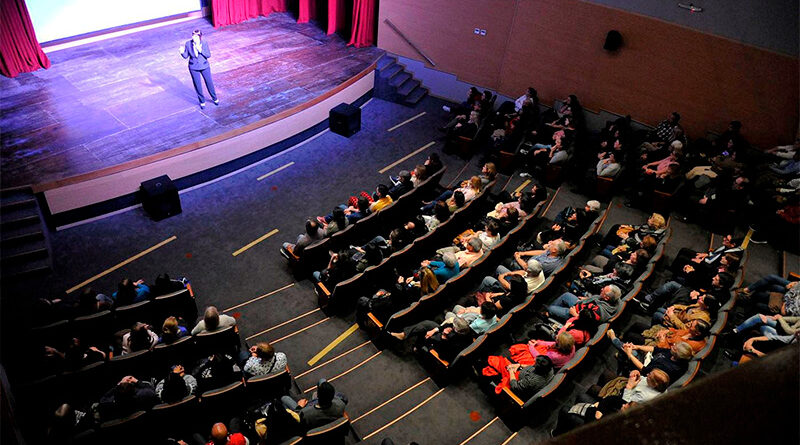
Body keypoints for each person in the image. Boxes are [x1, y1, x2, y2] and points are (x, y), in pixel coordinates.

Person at [281, 380, 347, 431]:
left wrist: (300, 406)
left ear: (317, 395)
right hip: (329, 412)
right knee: (322, 380)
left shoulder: (306, 413)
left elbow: (298, 415)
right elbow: (345, 399)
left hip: (310, 415)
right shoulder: (341, 404)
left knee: (284, 398)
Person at [179, 30, 218, 109]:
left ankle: (214, 98)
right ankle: (202, 101)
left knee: (209, 82)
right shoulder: (188, 43)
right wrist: (182, 52)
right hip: (193, 67)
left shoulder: (204, 43)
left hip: (204, 66)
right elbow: (186, 56)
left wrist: (200, 50)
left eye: (196, 36)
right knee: (197, 85)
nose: (194, 37)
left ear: (200, 37)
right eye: (193, 35)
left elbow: (208, 55)